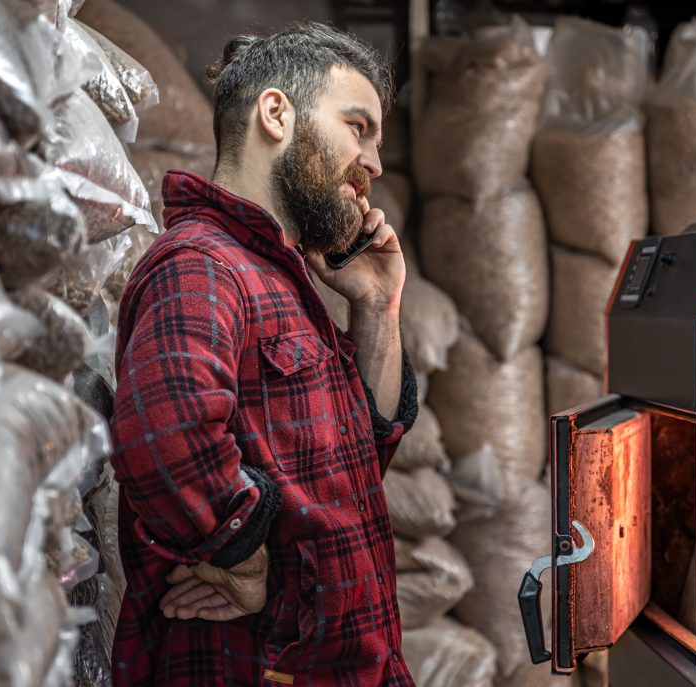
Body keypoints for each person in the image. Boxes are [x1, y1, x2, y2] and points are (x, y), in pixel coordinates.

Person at [108, 22, 418, 686]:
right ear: (276, 114)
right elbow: (166, 437)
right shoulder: (200, 264)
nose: (375, 164)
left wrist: (379, 307)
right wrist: (246, 564)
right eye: (357, 127)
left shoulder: (276, 278)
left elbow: (359, 459)